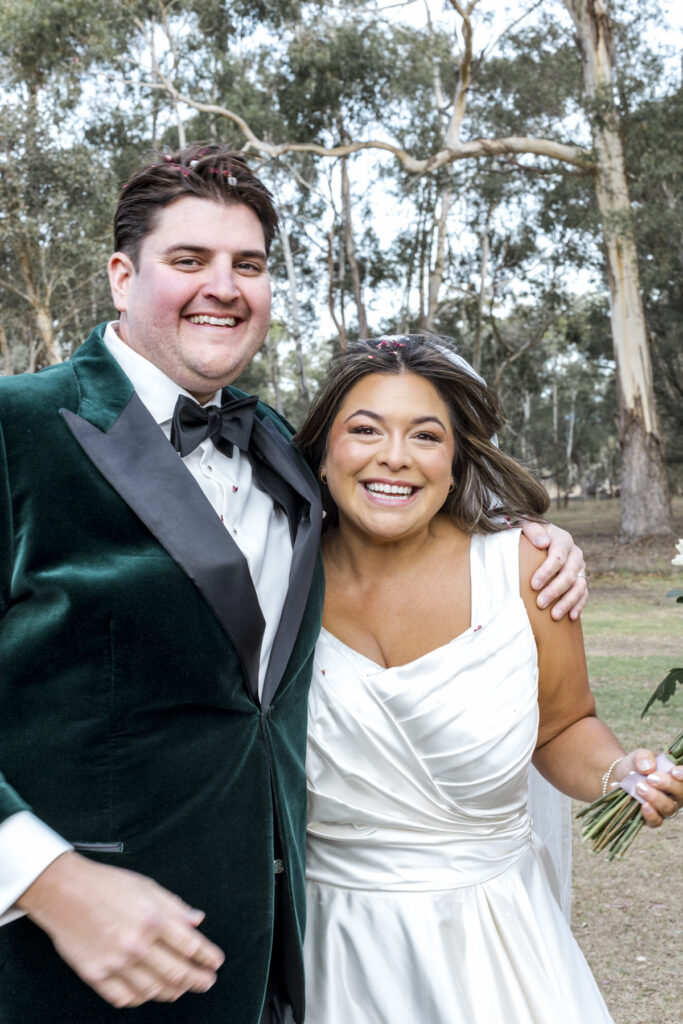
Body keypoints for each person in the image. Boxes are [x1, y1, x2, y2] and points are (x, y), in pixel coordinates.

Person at [0, 144, 585, 1024]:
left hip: (279, 968)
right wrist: (46, 879)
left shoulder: (282, 450)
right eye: (188, 261)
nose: (223, 286)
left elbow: (396, 504)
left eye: (250, 265)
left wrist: (528, 541)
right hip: (60, 973)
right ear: (122, 277)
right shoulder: (19, 426)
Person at [294, 335, 683, 1024]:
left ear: (453, 460)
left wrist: (620, 768)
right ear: (323, 450)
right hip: (328, 946)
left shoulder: (526, 574)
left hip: (494, 948)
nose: (394, 456)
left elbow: (562, 726)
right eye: (364, 431)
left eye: (424, 434)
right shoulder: (273, 578)